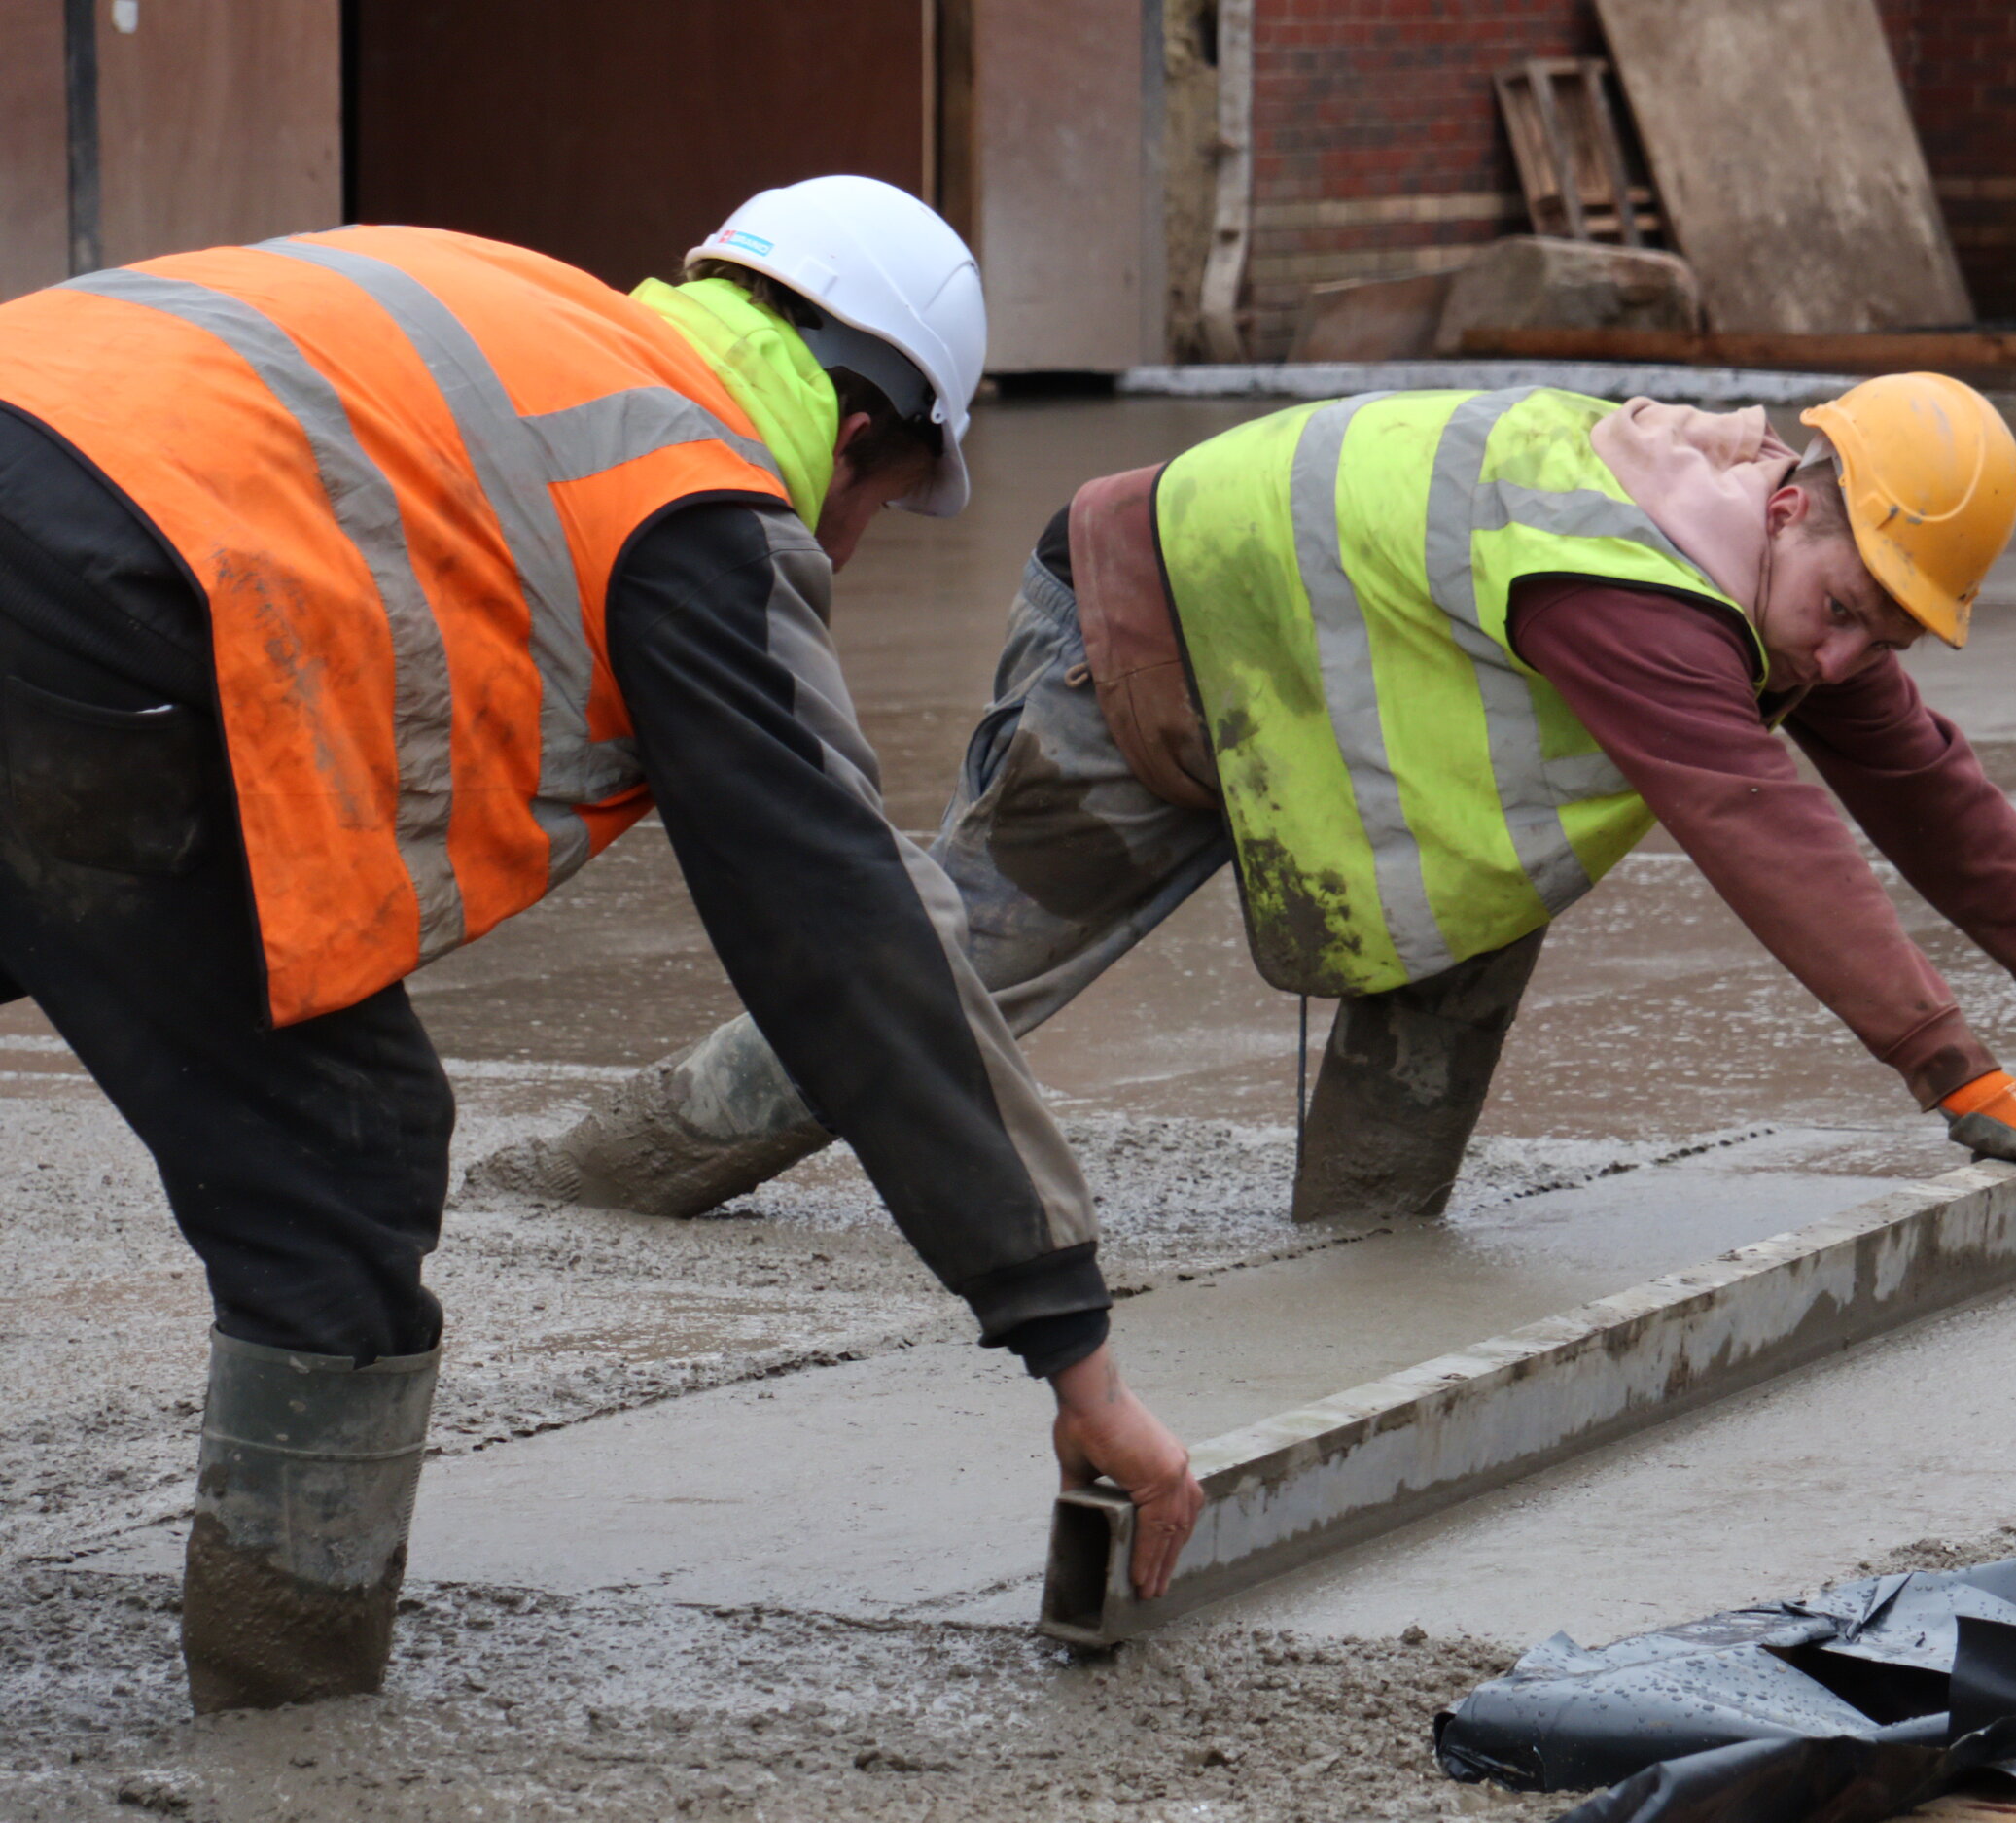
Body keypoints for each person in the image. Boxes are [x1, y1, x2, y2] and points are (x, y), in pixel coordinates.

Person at [0, 175, 1200, 1714]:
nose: (859, 542)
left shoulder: (522, 319)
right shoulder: (688, 490)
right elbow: (846, 926)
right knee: (340, 1149)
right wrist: (1075, 1353)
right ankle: (286, 1706)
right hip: (85, 600)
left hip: (64, 512)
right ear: (854, 437)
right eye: (887, 504)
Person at [483, 374, 2016, 1247]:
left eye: (1886, 636)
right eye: (1850, 604)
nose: (1849, 653)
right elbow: (1770, 833)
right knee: (938, 980)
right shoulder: (1629, 581)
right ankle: (592, 1187)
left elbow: (1921, 784)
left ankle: (1351, 1284)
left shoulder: (1767, 574)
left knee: (1470, 901)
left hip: (1346, 715)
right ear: (1795, 487)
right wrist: (1951, 1067)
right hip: (1153, 642)